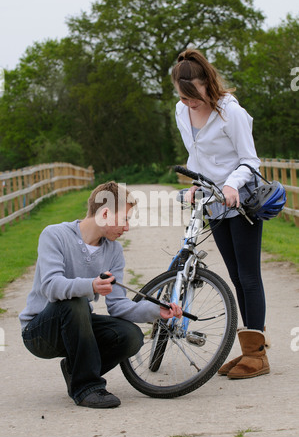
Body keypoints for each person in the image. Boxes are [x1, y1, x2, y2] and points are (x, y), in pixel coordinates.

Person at [19, 181, 182, 408]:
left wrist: (157, 310)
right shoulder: (54, 235)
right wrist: (91, 286)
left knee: (130, 336)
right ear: (105, 213)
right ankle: (87, 387)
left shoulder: (113, 250)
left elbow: (119, 306)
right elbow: (51, 286)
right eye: (124, 219)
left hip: (77, 325)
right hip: (40, 331)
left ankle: (75, 369)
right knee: (76, 303)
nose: (126, 228)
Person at [171, 49, 270, 379]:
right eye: (183, 98)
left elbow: (250, 160)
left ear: (207, 83)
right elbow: (196, 155)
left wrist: (231, 185)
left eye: (194, 96)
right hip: (212, 202)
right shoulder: (181, 112)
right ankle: (248, 350)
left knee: (248, 275)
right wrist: (196, 184)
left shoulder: (231, 113)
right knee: (235, 276)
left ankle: (257, 357)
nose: (189, 104)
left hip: (240, 201)